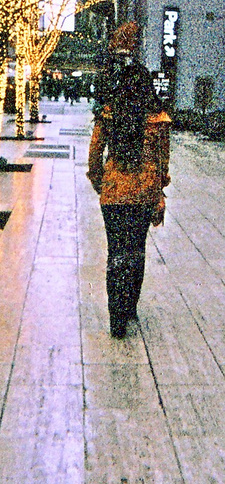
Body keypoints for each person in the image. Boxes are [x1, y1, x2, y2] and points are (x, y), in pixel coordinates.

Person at [87, 22, 171, 339]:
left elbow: (95, 153)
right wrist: (159, 191)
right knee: (136, 250)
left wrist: (100, 181)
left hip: (113, 190)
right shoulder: (157, 120)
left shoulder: (109, 114)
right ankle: (130, 306)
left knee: (115, 252)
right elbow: (163, 163)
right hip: (144, 192)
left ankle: (115, 319)